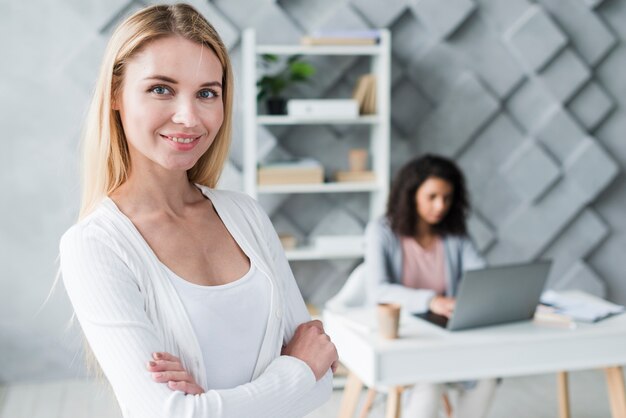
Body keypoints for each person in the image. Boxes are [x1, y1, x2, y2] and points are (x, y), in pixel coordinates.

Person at [59, 4, 337, 417]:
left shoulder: (245, 216)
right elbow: (169, 413)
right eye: (161, 89)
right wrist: (294, 372)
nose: (189, 117)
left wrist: (208, 402)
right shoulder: (96, 246)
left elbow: (324, 378)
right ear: (116, 93)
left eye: (207, 93)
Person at [364, 154, 496, 418]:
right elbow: (379, 290)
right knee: (429, 381)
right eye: (432, 197)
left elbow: (481, 275)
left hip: (446, 334)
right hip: (405, 336)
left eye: (447, 198)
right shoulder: (382, 231)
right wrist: (431, 300)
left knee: (488, 373)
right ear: (411, 195)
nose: (440, 206)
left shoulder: (455, 234)